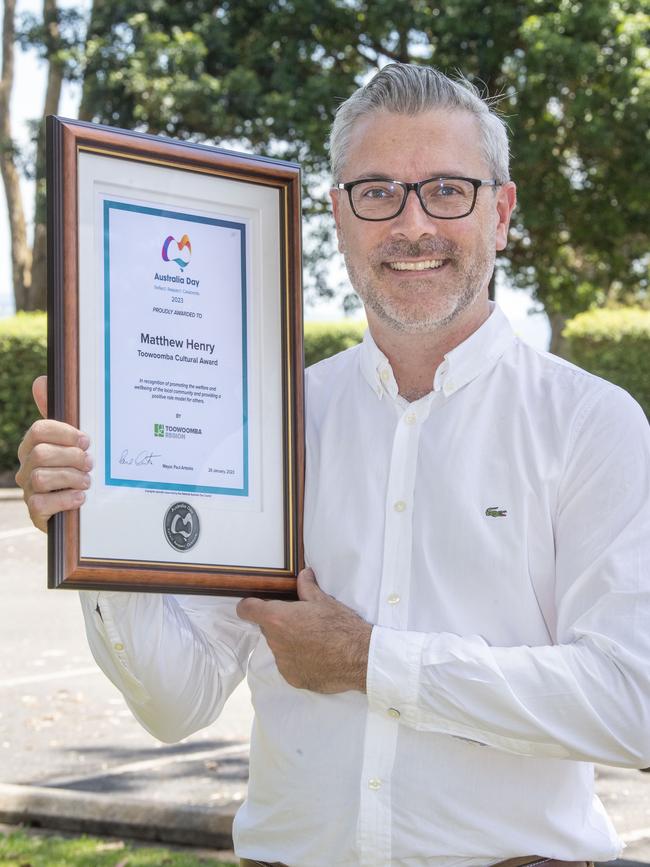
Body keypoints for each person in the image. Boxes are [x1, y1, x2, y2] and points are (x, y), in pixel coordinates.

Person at [16, 63, 650, 867]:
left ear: (502, 210)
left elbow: (633, 702)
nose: (412, 223)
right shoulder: (272, 425)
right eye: (377, 191)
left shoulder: (592, 424)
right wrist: (92, 514)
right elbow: (177, 703)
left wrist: (371, 660)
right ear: (336, 216)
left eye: (448, 189)